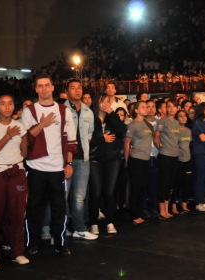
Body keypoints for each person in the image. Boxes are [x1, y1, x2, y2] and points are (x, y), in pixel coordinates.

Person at [21, 74, 77, 256]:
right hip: (35, 167)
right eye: (40, 86)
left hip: (57, 169)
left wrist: (68, 163)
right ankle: (31, 243)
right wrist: (42, 124)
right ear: (36, 89)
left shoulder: (64, 110)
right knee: (34, 208)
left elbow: (70, 140)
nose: (44, 88)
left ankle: (60, 243)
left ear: (53, 87)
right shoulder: (30, 111)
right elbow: (25, 140)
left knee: (59, 209)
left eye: (47, 85)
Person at [0, 94, 29, 270]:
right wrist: (7, 135)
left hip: (16, 172)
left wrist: (16, 164)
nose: (7, 107)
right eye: (3, 103)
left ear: (14, 106)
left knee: (18, 214)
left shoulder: (20, 126)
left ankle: (17, 252)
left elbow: (25, 152)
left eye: (10, 103)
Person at [89, 93, 127, 235]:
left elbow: (122, 131)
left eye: (107, 101)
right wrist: (102, 138)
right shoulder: (90, 118)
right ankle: (93, 223)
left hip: (112, 159)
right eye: (102, 101)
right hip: (95, 159)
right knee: (96, 193)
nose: (105, 103)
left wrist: (112, 113)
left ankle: (110, 221)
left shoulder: (112, 118)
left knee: (110, 193)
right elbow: (87, 140)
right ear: (96, 103)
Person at [64, 78, 97, 240]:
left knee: (79, 196)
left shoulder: (88, 111)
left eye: (79, 87)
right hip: (64, 159)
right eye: (73, 87)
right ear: (67, 91)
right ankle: (60, 230)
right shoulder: (60, 109)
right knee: (62, 195)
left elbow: (89, 136)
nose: (77, 90)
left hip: (83, 158)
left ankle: (79, 228)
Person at [124, 101, 154, 225]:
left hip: (146, 159)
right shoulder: (133, 125)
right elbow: (126, 144)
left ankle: (139, 212)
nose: (146, 109)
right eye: (142, 107)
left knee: (142, 187)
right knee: (136, 188)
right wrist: (127, 161)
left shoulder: (147, 124)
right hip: (136, 159)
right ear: (136, 110)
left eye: (146, 107)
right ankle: (134, 214)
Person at [154, 98, 180, 219]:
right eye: (169, 106)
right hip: (165, 156)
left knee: (170, 183)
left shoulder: (177, 122)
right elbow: (156, 138)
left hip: (175, 156)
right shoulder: (162, 121)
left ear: (177, 108)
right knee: (163, 183)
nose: (171, 108)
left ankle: (167, 209)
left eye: (174, 106)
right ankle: (162, 211)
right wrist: (161, 149)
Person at [175, 110, 192, 213]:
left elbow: (188, 145)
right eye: (180, 116)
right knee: (177, 183)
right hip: (178, 159)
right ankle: (175, 205)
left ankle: (185, 205)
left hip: (187, 159)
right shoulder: (175, 130)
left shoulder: (188, 130)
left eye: (184, 115)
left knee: (186, 183)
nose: (183, 118)